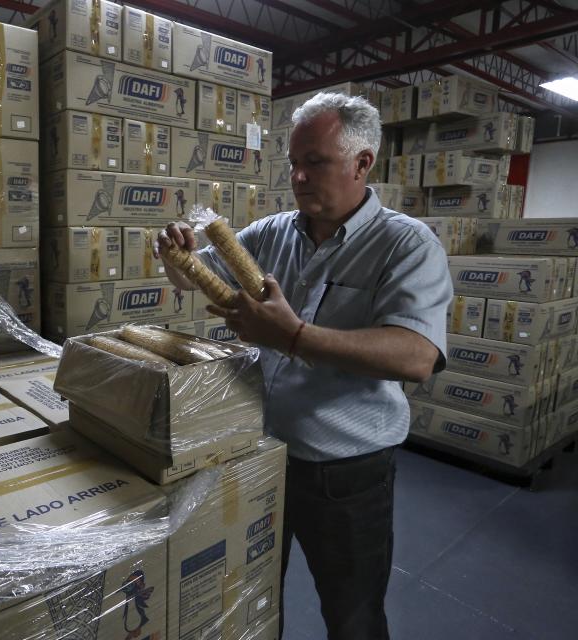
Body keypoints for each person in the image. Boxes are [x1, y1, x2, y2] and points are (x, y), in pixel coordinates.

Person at [156, 92, 452, 640]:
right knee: (257, 594)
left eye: (314, 162)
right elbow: (194, 275)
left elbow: (416, 357)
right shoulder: (272, 234)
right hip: (262, 454)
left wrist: (292, 334)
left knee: (352, 614)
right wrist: (176, 256)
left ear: (362, 163)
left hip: (346, 473)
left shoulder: (405, 245)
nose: (297, 176)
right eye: (293, 162)